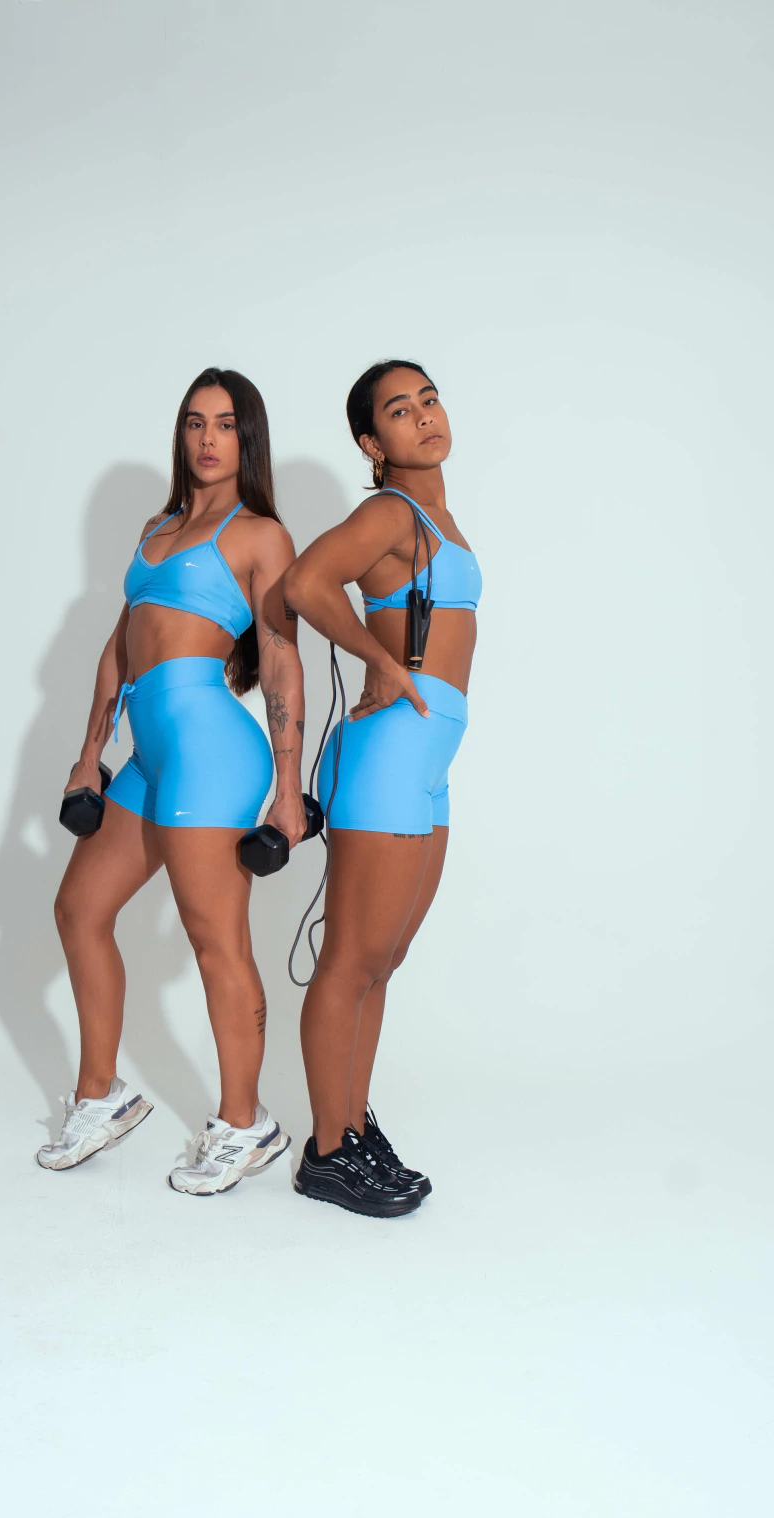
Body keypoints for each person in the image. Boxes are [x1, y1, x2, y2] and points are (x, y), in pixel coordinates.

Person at [39, 368, 307, 1195]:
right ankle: (101, 1096)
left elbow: (282, 662)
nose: (207, 438)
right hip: (150, 754)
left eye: (224, 424)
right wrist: (90, 752)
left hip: (212, 749)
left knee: (213, 936)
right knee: (79, 909)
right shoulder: (155, 529)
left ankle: (245, 1122)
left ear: (246, 439)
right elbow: (119, 650)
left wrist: (288, 787)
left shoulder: (259, 534)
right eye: (195, 422)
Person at [283, 359, 482, 1217]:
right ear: (372, 443)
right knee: (352, 958)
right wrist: (378, 659)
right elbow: (304, 583)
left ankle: (353, 1124)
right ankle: (326, 1153)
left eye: (429, 399)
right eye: (401, 411)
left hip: (427, 759)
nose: (425, 416)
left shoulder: (437, 517)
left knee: (384, 960)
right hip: (391, 752)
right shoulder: (390, 511)